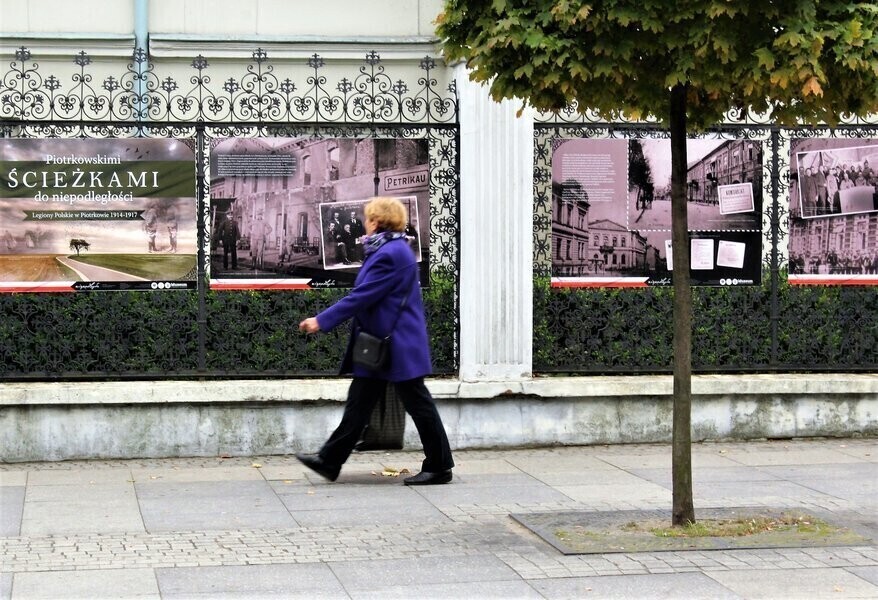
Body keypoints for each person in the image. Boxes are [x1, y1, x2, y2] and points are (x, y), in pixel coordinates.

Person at [297, 196, 454, 486]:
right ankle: (330, 461)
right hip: (381, 343)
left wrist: (322, 320)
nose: (364, 222)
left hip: (396, 344)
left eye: (368, 218)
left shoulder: (391, 253)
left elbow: (363, 295)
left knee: (418, 404)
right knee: (359, 403)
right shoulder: (386, 250)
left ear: (378, 221)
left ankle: (440, 465)